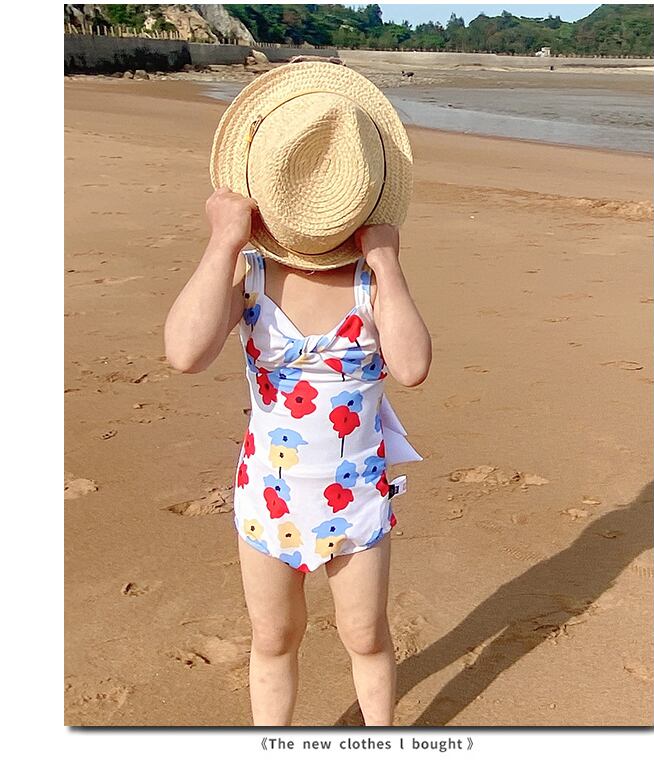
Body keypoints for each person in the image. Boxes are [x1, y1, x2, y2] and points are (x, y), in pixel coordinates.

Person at [164, 60, 432, 726]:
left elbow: (412, 365)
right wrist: (222, 244)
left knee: (365, 635)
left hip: (356, 493)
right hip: (269, 493)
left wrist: (388, 264)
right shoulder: (251, 275)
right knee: (274, 638)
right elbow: (185, 352)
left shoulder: (371, 282)